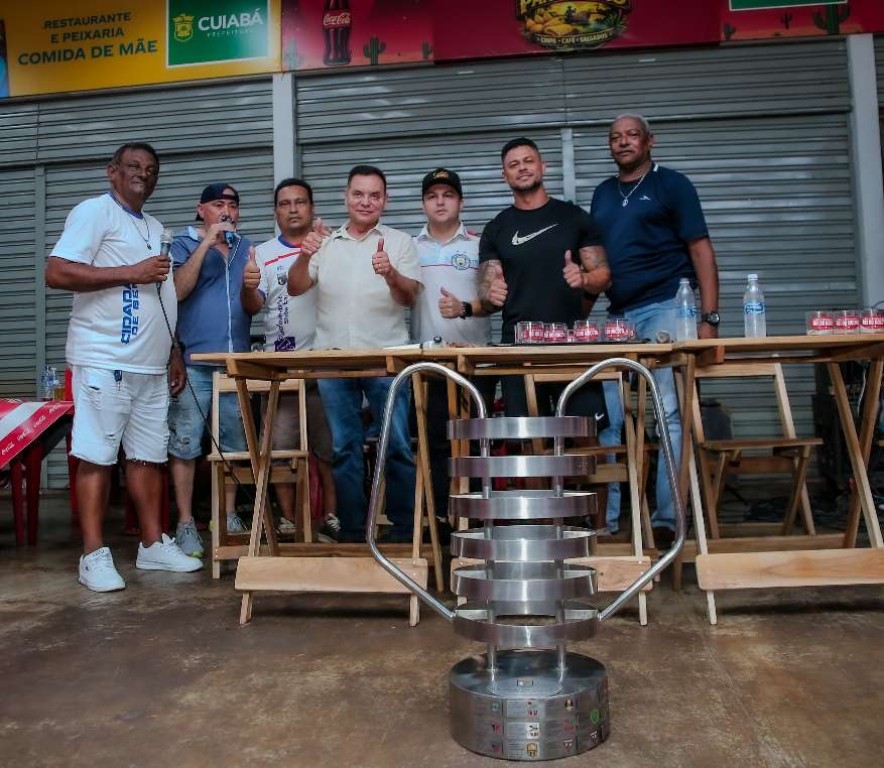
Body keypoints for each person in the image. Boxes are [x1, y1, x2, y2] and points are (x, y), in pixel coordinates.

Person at [45, 142, 201, 592]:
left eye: (151, 170)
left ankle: (152, 545)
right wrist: (129, 272)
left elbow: (161, 295)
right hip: (104, 359)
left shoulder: (153, 226)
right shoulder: (94, 212)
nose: (143, 174)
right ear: (112, 171)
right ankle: (92, 554)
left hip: (149, 367)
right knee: (96, 456)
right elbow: (56, 272)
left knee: (148, 457)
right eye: (133, 166)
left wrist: (173, 350)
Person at [590, 113, 720, 543]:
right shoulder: (603, 194)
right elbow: (597, 264)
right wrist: (579, 316)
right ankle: (608, 523)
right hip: (618, 315)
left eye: (632, 135)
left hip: (667, 306)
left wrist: (709, 319)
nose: (623, 142)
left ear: (650, 141)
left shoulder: (673, 185)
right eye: (616, 137)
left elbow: (701, 250)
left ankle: (668, 520)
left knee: (669, 413)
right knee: (608, 416)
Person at [288, 165, 422, 543]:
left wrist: (390, 274)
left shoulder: (400, 242)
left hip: (386, 361)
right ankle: (352, 532)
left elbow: (409, 297)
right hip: (332, 359)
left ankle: (404, 531)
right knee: (344, 448)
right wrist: (304, 255)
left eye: (374, 195)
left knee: (396, 446)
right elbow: (296, 288)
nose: (366, 202)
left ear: (385, 200)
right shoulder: (325, 242)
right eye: (358, 194)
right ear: (346, 197)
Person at [478, 137, 611, 425]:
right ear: (504, 175)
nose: (522, 168)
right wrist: (491, 293)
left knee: (584, 435)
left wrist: (584, 277)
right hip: (518, 349)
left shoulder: (574, 217)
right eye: (514, 164)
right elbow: (487, 293)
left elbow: (603, 277)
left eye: (529, 161)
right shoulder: (496, 229)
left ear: (543, 166)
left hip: (570, 345)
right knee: (527, 439)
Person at [240, 177, 339, 541]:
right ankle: (288, 521)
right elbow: (253, 306)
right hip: (281, 370)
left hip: (328, 365)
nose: (293, 209)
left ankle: (332, 518)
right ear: (276, 212)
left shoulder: (332, 246)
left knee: (331, 450)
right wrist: (248, 285)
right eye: (285, 203)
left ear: (312, 208)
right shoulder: (263, 253)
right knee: (280, 450)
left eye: (300, 202)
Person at [167, 183, 258, 557]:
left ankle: (227, 514)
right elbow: (177, 291)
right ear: (200, 209)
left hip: (235, 365)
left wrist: (252, 286)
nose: (226, 212)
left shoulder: (246, 248)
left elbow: (253, 305)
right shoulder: (181, 245)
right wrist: (207, 242)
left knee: (234, 445)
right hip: (194, 363)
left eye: (232, 205)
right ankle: (186, 522)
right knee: (185, 444)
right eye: (218, 204)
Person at [411, 168, 495, 529]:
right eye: (432, 196)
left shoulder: (480, 245)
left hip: (476, 359)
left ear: (461, 201)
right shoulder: (410, 248)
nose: (440, 202)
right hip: (428, 361)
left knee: (476, 442)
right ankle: (439, 523)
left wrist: (465, 306)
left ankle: (476, 520)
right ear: (423, 204)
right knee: (435, 443)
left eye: (447, 195)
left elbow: (494, 301)